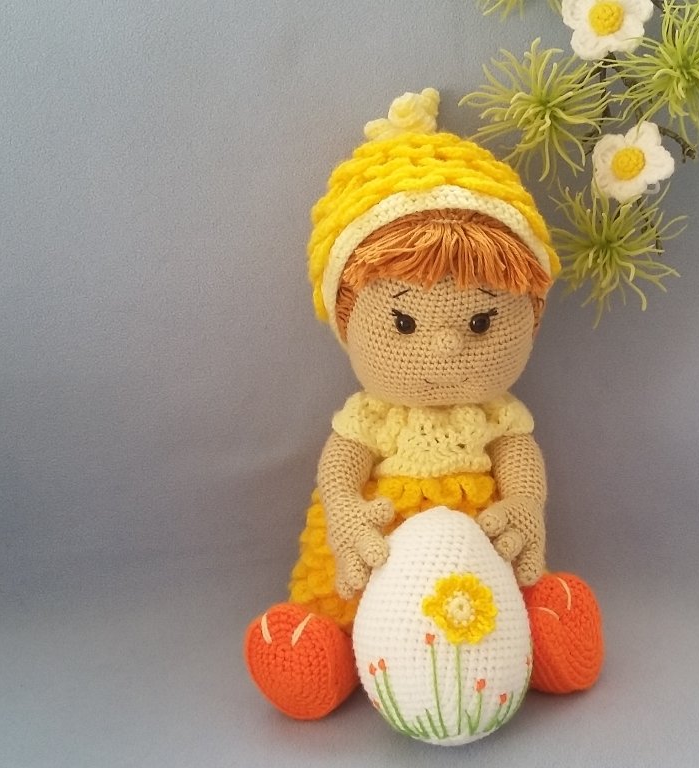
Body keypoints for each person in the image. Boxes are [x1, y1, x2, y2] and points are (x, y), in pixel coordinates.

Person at [244, 89, 604, 720]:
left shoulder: (495, 416)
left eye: (482, 321)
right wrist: (346, 515)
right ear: (349, 322)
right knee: (342, 590)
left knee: (515, 585)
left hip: (480, 553)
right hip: (380, 542)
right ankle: (325, 650)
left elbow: (519, 461)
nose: (445, 345)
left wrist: (525, 505)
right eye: (404, 322)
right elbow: (340, 469)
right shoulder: (373, 417)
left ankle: (538, 637)